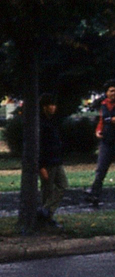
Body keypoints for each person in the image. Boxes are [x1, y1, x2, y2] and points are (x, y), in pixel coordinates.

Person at [36, 94, 67, 228]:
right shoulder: (41, 124)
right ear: (44, 107)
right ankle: (45, 217)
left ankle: (45, 211)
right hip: (47, 162)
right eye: (50, 105)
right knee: (47, 190)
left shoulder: (51, 122)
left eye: (54, 105)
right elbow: (40, 147)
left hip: (56, 160)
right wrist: (41, 166)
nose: (53, 108)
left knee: (62, 185)